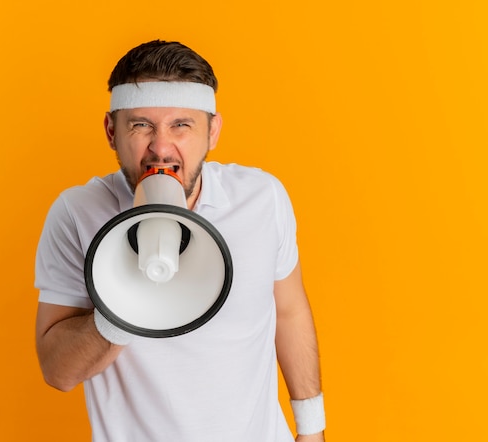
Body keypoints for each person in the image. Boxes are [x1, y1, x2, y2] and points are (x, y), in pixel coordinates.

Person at [35, 40, 326, 442]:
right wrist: (125, 305)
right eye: (141, 125)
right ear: (111, 132)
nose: (161, 147)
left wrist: (312, 431)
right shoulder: (76, 214)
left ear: (213, 132)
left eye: (181, 125)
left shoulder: (263, 199)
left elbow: (290, 313)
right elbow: (57, 372)